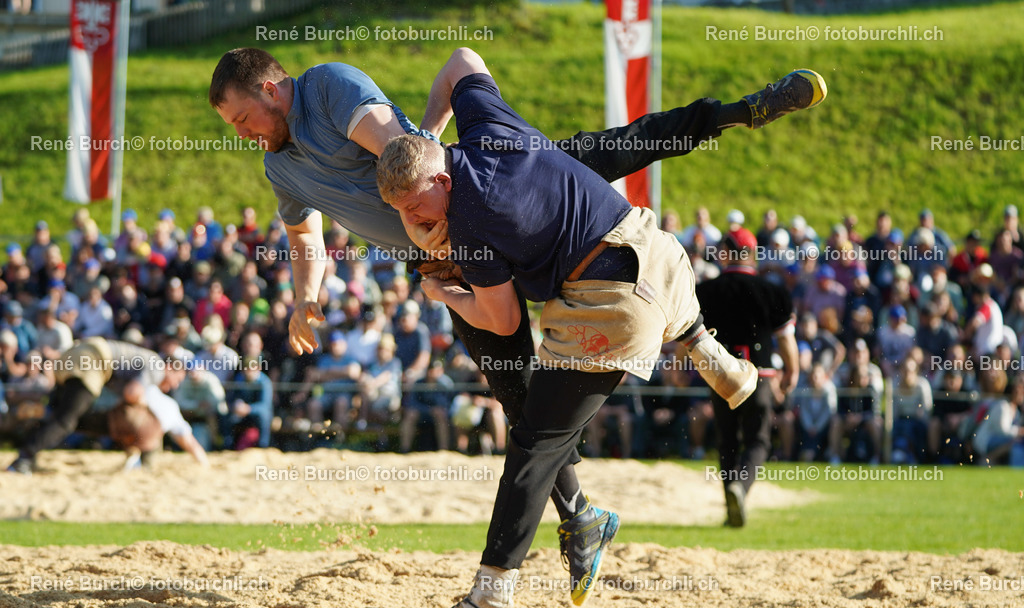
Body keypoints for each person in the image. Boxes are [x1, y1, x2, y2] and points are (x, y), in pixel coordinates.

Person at [209, 45, 825, 569]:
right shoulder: (278, 165)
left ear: (270, 88)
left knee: (629, 146)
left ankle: (744, 111)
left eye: (242, 118)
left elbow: (401, 151)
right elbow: (304, 237)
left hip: (484, 197)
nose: (243, 133)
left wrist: (429, 145)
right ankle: (581, 514)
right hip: (451, 250)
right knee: (516, 392)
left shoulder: (324, 89)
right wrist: (306, 297)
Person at [375, 50, 824, 608]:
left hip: (613, 305)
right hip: (659, 255)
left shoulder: (471, 223)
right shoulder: (492, 129)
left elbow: (505, 321)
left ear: (441, 179)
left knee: (535, 442)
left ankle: (491, 595)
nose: (417, 221)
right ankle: (710, 353)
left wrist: (444, 296)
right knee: (615, 145)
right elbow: (463, 60)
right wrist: (427, 132)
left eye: (416, 207)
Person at [695, 228, 800, 526]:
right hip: (761, 376)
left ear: (725, 253)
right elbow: (786, 340)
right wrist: (792, 371)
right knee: (758, 440)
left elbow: (690, 334)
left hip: (722, 375)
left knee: (727, 439)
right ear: (753, 254)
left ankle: (731, 506)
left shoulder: (706, 290)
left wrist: (678, 368)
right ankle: (740, 487)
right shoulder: (773, 292)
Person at [6, 338, 208, 473]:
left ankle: (31, 417)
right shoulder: (157, 367)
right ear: (170, 367)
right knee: (66, 421)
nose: (174, 385)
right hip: (92, 359)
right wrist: (143, 404)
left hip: (74, 354)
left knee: (58, 413)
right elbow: (131, 393)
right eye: (177, 379)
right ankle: (24, 459)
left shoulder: (147, 360)